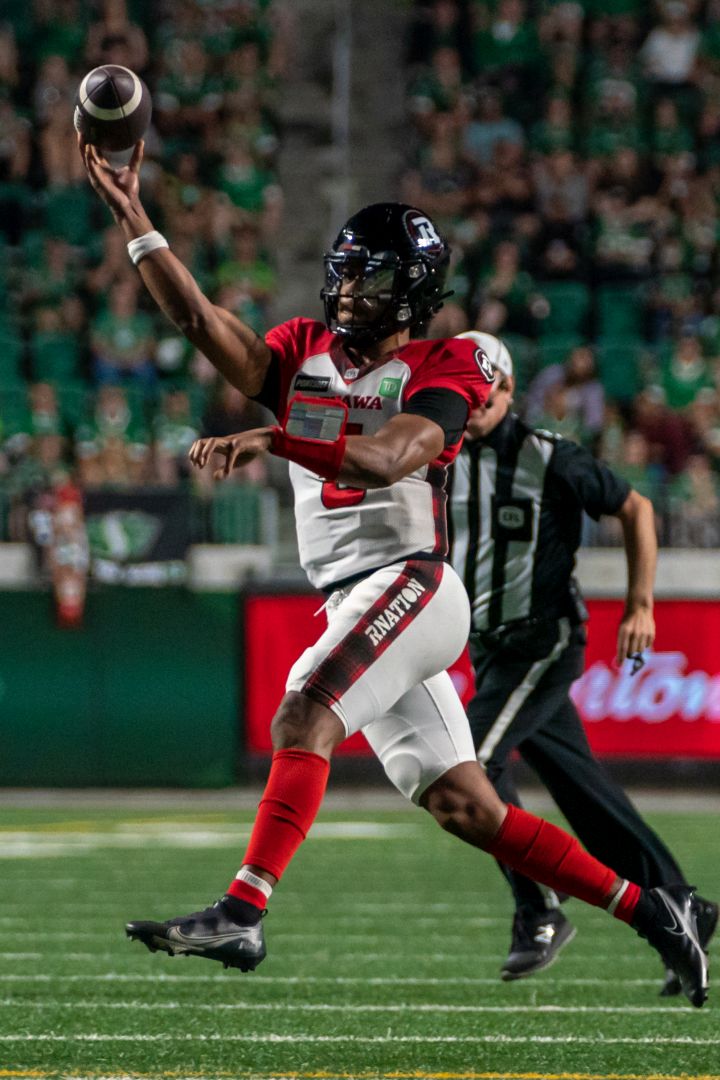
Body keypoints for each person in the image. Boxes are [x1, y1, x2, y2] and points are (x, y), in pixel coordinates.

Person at [78, 135, 709, 1007]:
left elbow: (383, 459)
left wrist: (275, 437)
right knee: (469, 808)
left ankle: (245, 908)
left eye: (367, 277)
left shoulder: (445, 365)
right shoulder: (303, 348)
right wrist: (136, 218)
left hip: (412, 582)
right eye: (342, 272)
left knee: (308, 708)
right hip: (357, 596)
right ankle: (656, 915)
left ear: (410, 292)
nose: (344, 291)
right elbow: (199, 323)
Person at [449, 330, 718, 993]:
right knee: (585, 796)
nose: (471, 407)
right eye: (460, 396)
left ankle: (536, 903)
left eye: (482, 395)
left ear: (509, 392)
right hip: (490, 647)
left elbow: (637, 507)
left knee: (467, 765)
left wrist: (641, 604)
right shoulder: (441, 454)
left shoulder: (549, 457)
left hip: (541, 642)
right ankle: (680, 901)